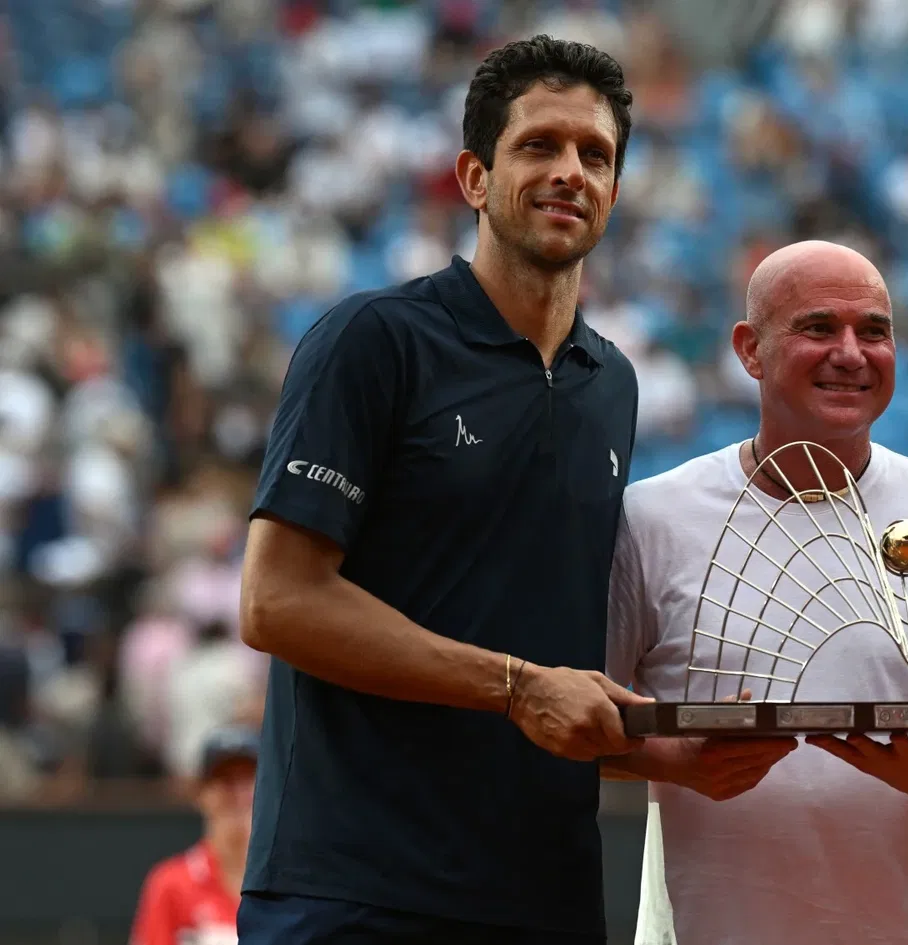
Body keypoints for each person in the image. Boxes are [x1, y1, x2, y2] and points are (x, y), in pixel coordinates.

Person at [236, 35, 647, 945]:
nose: (570, 171)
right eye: (538, 145)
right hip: (355, 893)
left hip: (546, 898)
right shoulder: (372, 340)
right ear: (473, 177)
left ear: (614, 192)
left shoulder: (612, 383)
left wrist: (675, 751)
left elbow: (554, 649)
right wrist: (515, 687)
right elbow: (277, 600)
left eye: (595, 155)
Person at [602, 240, 908, 945]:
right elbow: (572, 725)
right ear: (750, 350)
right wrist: (671, 760)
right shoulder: (651, 518)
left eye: (874, 331)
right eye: (818, 327)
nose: (851, 353)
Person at [130, 726, 259, 945]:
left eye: (248, 780)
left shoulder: (284, 887)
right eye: (226, 781)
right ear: (201, 793)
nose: (238, 794)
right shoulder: (171, 885)